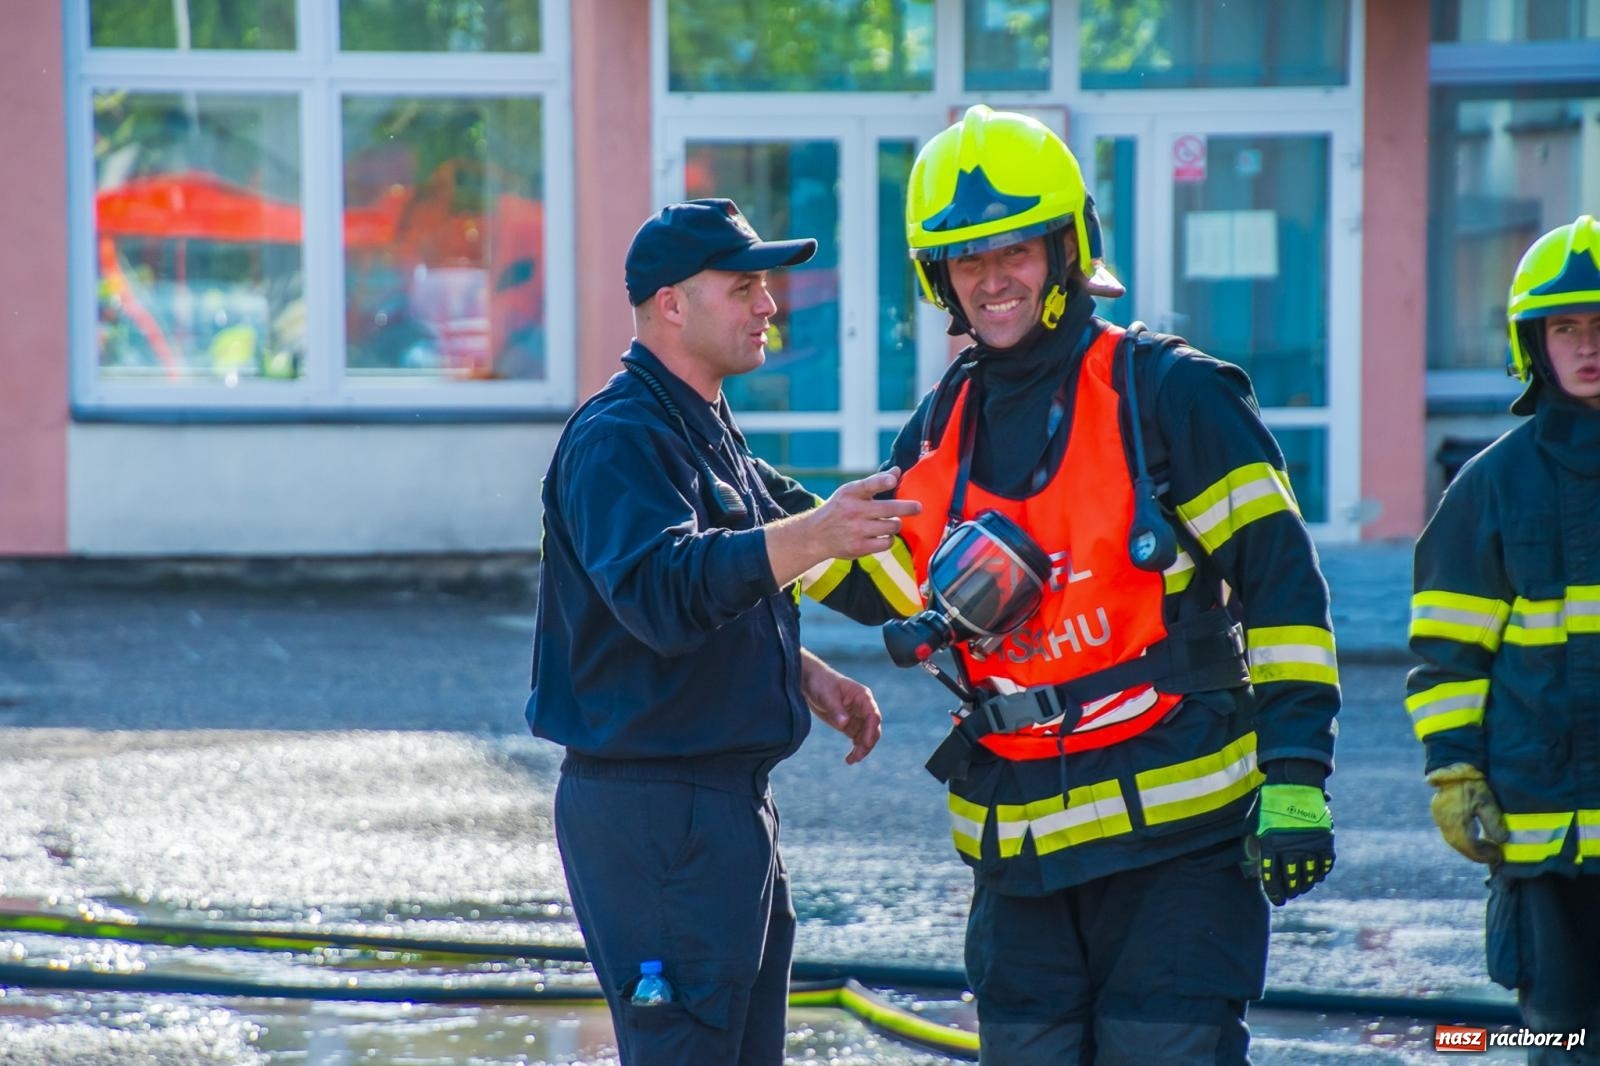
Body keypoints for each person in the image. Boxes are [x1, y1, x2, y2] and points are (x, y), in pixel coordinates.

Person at [871, 105, 1342, 1063]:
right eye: (966, 260)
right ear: (940, 280)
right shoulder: (932, 435)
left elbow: (1282, 586)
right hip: (1019, 867)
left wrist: (1297, 776)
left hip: (1178, 852)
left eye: (1015, 249)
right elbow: (899, 593)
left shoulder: (1172, 396)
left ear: (1066, 248)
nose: (993, 279)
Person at [525, 197, 921, 1066]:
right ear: (672, 304)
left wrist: (802, 664)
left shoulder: (702, 429)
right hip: (659, 819)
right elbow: (662, 592)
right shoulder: (621, 436)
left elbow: (791, 564)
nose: (770, 304)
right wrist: (811, 537)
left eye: (766, 285)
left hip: (720, 811)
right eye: (744, 286)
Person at [1407, 215, 1600, 1061]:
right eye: (1566, 327)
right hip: (1541, 833)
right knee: (1561, 1040)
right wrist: (1454, 771)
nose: (1587, 347)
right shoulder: (1490, 488)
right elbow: (1449, 655)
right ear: (1534, 341)